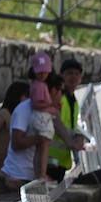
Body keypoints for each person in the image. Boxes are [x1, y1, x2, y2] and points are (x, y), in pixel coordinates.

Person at [2, 72, 85, 187]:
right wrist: (41, 138)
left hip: (35, 178)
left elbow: (61, 129)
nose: (62, 96)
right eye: (61, 92)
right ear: (52, 92)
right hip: (18, 177)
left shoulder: (51, 111)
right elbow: (17, 143)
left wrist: (76, 141)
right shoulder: (23, 110)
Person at [47, 58, 83, 179]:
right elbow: (55, 124)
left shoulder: (74, 101)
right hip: (50, 158)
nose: (73, 77)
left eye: (76, 74)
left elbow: (70, 125)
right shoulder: (58, 98)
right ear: (62, 75)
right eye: (69, 73)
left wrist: (78, 135)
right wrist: (73, 141)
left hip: (62, 159)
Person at [26, 52, 57, 181]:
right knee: (44, 145)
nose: (43, 75)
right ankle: (41, 173)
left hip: (39, 117)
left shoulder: (35, 84)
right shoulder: (39, 86)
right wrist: (51, 103)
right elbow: (37, 104)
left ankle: (39, 173)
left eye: (45, 72)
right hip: (41, 118)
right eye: (40, 72)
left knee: (40, 147)